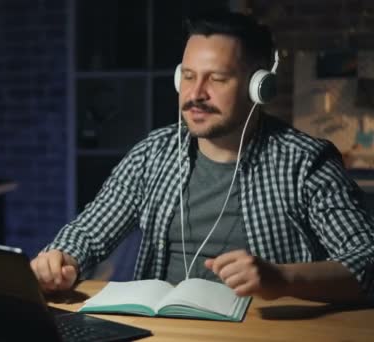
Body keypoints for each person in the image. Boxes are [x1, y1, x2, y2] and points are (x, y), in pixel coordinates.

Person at [30, 11, 374, 303]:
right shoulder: (154, 153)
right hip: (167, 330)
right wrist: (61, 259)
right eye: (189, 76)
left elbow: (366, 260)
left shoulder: (305, 162)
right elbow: (89, 232)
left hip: (263, 331)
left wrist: (283, 279)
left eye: (218, 79)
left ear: (260, 86)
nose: (195, 95)